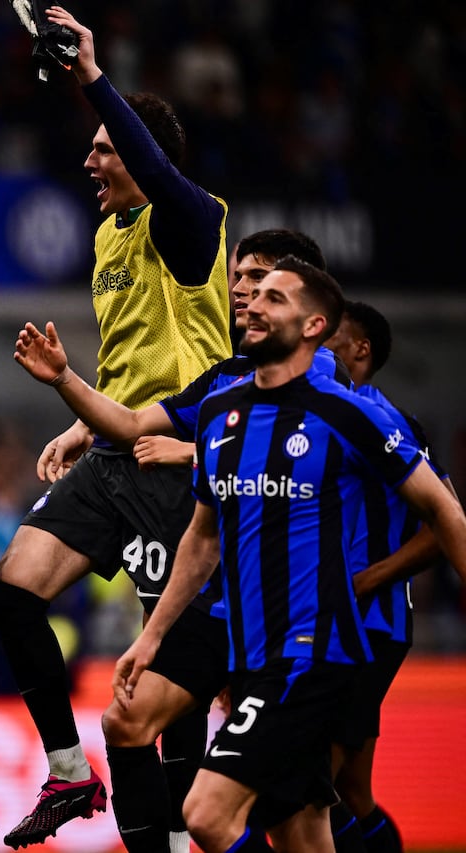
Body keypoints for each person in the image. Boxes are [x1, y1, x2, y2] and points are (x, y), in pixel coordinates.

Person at [113, 257, 466, 852]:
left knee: (205, 813)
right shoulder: (223, 415)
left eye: (275, 298)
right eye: (252, 296)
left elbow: (445, 510)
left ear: (313, 327)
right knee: (299, 831)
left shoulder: (351, 414)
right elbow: (202, 540)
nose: (252, 304)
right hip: (249, 656)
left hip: (312, 655)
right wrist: (150, 639)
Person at [0, 5, 231, 847]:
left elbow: (161, 176)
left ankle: (170, 838)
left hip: (175, 461)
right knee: (11, 591)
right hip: (113, 446)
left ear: (138, 153)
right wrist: (79, 414)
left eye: (104, 147)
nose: (89, 159)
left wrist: (92, 73)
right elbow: (129, 350)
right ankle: (66, 769)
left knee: (166, 680)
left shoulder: (194, 223)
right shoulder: (107, 236)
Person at [14, 230, 329, 853]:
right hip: (218, 608)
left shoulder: (337, 399)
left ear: (309, 311)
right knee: (126, 720)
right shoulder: (225, 384)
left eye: (263, 284)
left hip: (296, 625)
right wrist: (65, 381)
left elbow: (422, 511)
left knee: (306, 817)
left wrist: (190, 453)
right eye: (239, 278)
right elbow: (133, 428)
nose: (241, 291)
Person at [324, 301, 456, 853]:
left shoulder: (382, 419)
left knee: (304, 781)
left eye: (333, 340)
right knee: (351, 790)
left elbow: (446, 520)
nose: (320, 348)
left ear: (362, 350)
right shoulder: (320, 415)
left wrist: (367, 579)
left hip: (367, 625)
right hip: (330, 623)